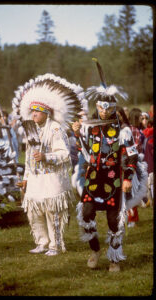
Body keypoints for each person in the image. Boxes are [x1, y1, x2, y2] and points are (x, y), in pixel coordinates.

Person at [13, 73, 84, 256]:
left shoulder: (55, 129)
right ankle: (42, 242)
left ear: (46, 113)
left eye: (37, 111)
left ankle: (55, 245)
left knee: (54, 212)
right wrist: (25, 178)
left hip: (53, 178)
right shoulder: (31, 129)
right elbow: (28, 157)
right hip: (36, 178)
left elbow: (64, 154)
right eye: (32, 111)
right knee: (34, 211)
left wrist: (45, 157)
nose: (34, 114)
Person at [72, 84, 141, 272]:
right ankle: (95, 250)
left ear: (114, 108)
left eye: (108, 108)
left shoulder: (123, 130)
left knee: (114, 220)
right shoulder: (89, 128)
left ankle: (114, 258)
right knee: (86, 215)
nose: (104, 111)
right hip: (93, 178)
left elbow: (132, 156)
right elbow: (84, 153)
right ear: (97, 106)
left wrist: (128, 177)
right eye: (101, 107)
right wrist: (78, 133)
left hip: (113, 180)